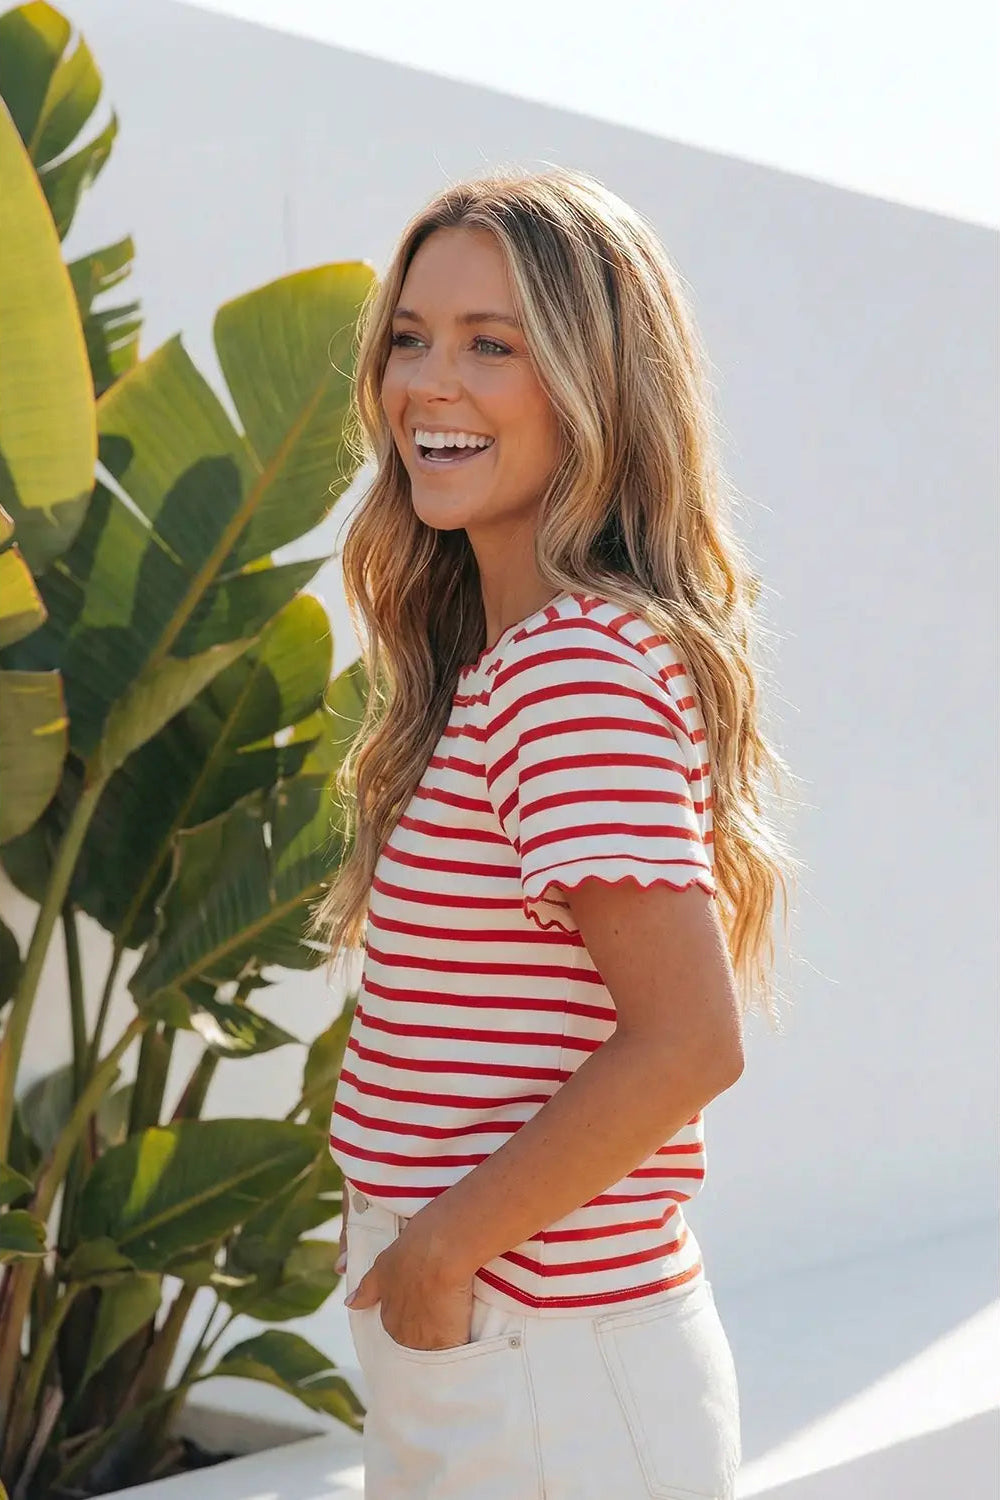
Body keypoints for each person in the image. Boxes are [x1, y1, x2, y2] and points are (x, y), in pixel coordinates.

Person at [309, 166, 799, 1500]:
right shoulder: (514, 658)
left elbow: (689, 1042)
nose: (427, 385)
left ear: (596, 389)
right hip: (505, 1353)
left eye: (493, 346)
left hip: (544, 1367)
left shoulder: (570, 669)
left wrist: (438, 1257)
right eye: (409, 338)